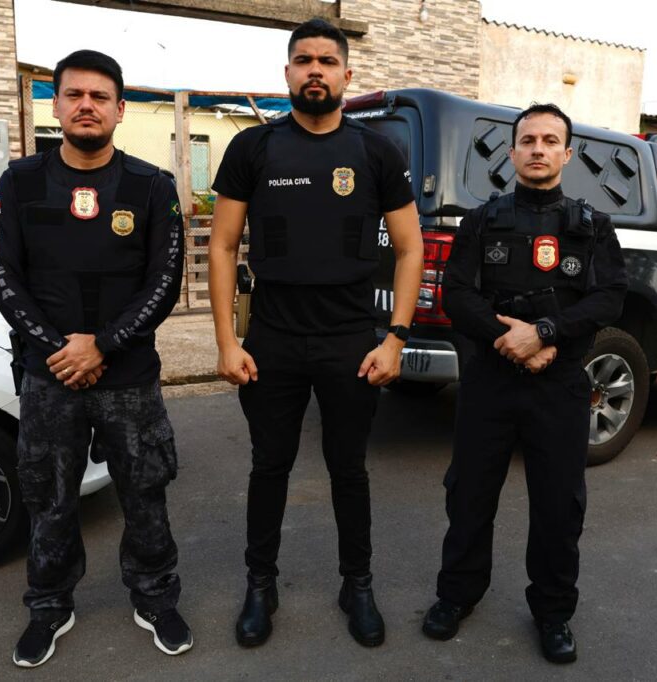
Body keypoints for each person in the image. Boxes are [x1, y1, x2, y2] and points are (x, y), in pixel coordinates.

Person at [208, 18, 423, 649]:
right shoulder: (253, 148)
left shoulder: (376, 153)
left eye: (327, 61)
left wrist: (396, 338)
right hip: (272, 337)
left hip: (350, 339)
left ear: (346, 75)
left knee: (348, 469)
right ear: (287, 72)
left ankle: (357, 585)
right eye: (304, 60)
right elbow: (222, 247)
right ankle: (260, 585)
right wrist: (227, 341)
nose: (315, 71)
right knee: (269, 466)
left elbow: (410, 248)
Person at [0, 49, 190, 667]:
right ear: (55, 105)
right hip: (50, 378)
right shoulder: (20, 183)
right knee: (49, 498)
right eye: (74, 95)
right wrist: (61, 350)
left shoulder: (151, 187)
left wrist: (101, 345)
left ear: (120, 109)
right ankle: (49, 606)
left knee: (145, 493)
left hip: (129, 378)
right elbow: (3, 277)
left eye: (100, 97)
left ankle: (155, 598)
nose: (86, 106)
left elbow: (164, 282)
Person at [421, 103, 627, 663]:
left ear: (568, 153)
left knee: (560, 506)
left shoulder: (592, 226)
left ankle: (553, 613)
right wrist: (509, 339)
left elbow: (610, 298)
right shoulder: (481, 221)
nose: (538, 149)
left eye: (550, 140)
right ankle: (456, 595)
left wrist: (545, 335)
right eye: (528, 140)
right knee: (469, 494)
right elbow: (456, 294)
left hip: (559, 384)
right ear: (512, 153)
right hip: (490, 381)